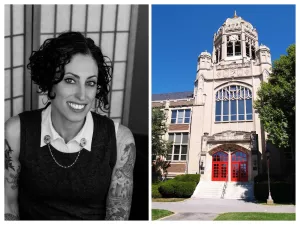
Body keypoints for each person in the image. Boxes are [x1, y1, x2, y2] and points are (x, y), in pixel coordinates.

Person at [5, 31, 136, 220]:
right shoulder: (15, 132)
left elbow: (117, 216)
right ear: (50, 83)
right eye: (70, 80)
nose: (82, 96)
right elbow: (7, 205)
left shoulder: (120, 140)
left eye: (90, 83)